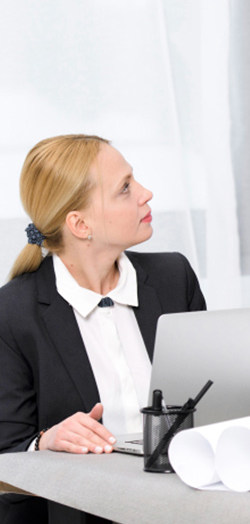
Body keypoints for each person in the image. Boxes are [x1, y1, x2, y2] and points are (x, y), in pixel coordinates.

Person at [0, 135, 206, 523]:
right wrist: (46, 441)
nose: (146, 193)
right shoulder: (12, 312)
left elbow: (212, 398)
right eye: (125, 188)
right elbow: (8, 449)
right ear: (80, 224)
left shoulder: (174, 277)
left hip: (184, 504)